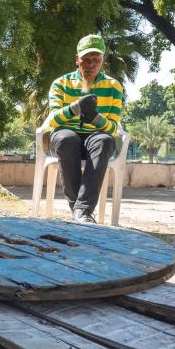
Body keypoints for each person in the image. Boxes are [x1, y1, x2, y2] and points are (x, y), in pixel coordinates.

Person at [41, 34, 123, 223]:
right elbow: (53, 120)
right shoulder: (61, 84)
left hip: (95, 137)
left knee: (105, 140)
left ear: (103, 60)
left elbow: (112, 128)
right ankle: (81, 211)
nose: (91, 64)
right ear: (77, 60)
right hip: (65, 135)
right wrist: (74, 109)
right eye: (86, 59)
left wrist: (95, 118)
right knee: (67, 139)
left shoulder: (113, 86)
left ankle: (82, 211)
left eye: (97, 60)